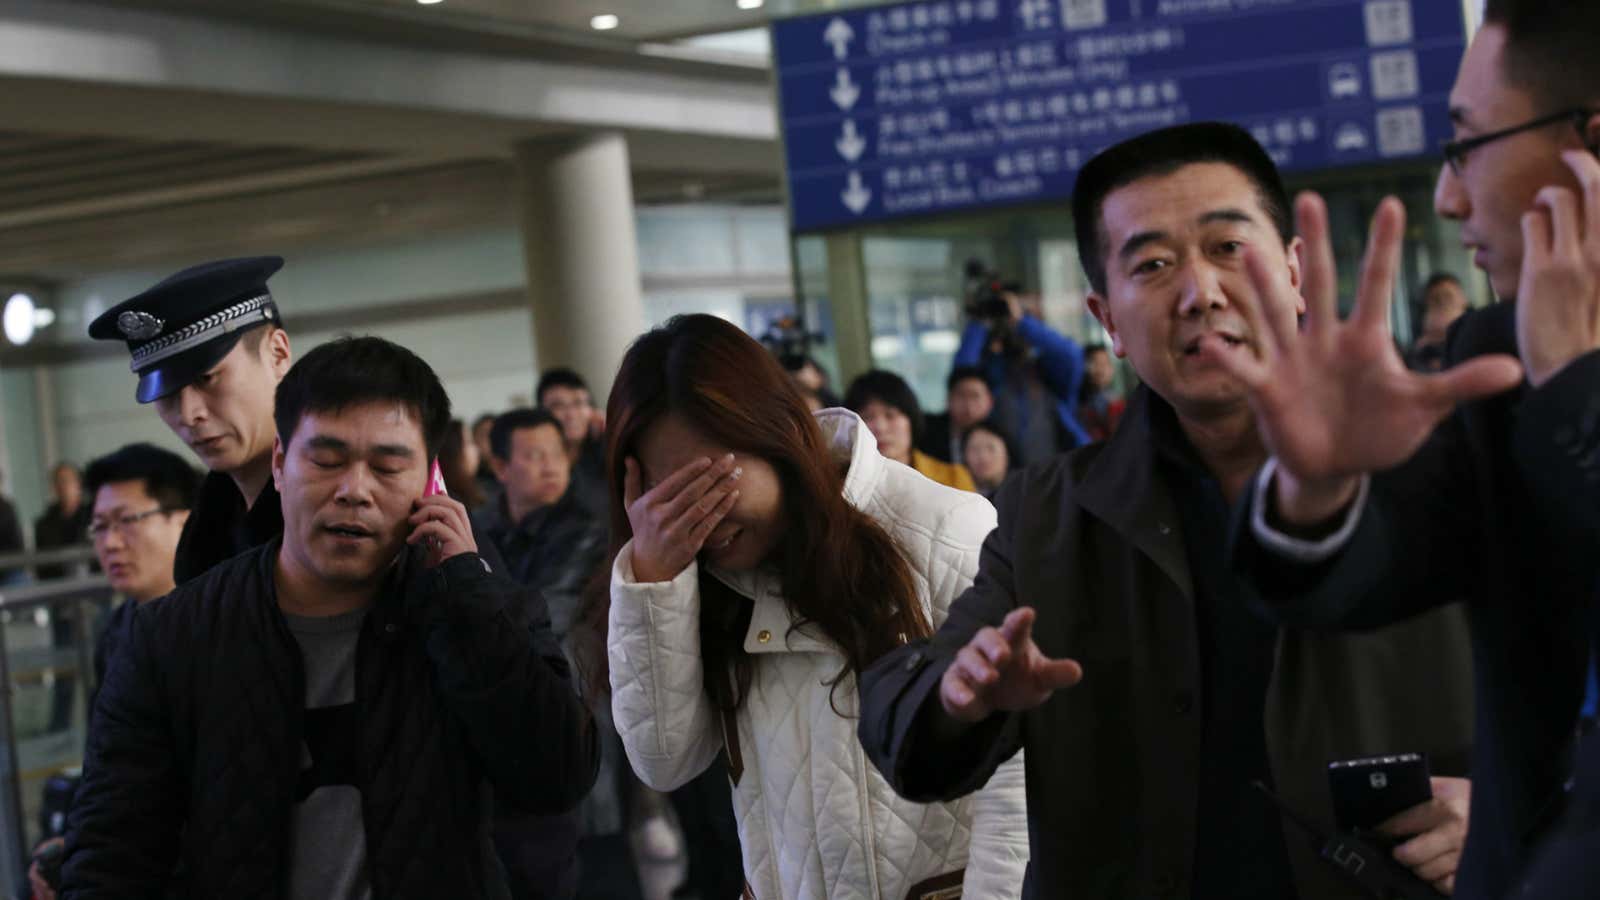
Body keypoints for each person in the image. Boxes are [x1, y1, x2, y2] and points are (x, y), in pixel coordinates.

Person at [858, 122, 1478, 900]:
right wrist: (956, 695)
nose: (1201, 292)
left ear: (1292, 272)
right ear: (1107, 318)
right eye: (1152, 264)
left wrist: (1508, 807)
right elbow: (902, 726)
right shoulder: (1047, 514)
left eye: (1228, 247)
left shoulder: (1442, 462)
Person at [1195, 3, 1600, 896]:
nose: (1450, 194)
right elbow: (1366, 576)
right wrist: (1317, 487)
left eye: (1469, 143)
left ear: (1588, 150)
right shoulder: (1493, 362)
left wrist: (1577, 386)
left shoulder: (1548, 371)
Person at [62, 336, 599, 899]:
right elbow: (113, 849)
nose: (354, 491)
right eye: (326, 460)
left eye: (389, 467)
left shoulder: (477, 605)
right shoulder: (175, 635)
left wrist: (464, 594)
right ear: (279, 464)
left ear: (429, 483)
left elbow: (556, 778)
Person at [602, 314, 1026, 900]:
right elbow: (665, 761)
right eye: (668, 498)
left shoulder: (944, 526)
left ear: (774, 434)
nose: (700, 519)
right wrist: (653, 578)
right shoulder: (693, 577)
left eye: (712, 483)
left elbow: (1020, 770)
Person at [475, 407, 641, 899]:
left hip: (583, 710)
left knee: (599, 860)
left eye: (557, 453)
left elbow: (546, 609)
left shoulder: (590, 528)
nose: (550, 465)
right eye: (532, 455)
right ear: (501, 467)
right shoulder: (481, 529)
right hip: (509, 718)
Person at [87, 257, 293, 584]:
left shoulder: (338, 501)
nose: (188, 414)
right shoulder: (207, 528)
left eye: (207, 378)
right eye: (168, 395)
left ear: (277, 354)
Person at [81, 444, 201, 684]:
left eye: (127, 520)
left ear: (183, 523)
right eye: (100, 526)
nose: (110, 543)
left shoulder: (225, 623)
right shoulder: (115, 630)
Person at [954, 286, 1090, 463]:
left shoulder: (1047, 374)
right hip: (1002, 477)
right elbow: (962, 374)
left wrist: (1021, 321)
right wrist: (981, 321)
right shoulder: (988, 372)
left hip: (1056, 474)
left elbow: (1070, 355)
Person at [844, 369, 977, 492]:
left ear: (911, 420)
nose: (880, 427)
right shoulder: (842, 484)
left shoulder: (953, 479)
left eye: (890, 415)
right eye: (867, 417)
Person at [536, 368, 606, 517]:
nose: (571, 414)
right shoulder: (536, 466)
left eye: (579, 403)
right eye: (558, 406)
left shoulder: (607, 454)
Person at [919, 366, 995, 464]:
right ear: (948, 399)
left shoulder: (1002, 438)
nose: (968, 405)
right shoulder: (926, 433)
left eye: (975, 396)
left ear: (990, 402)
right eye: (961, 396)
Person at [35, 463, 92, 579]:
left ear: (79, 484)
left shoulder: (93, 516)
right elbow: (43, 566)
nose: (63, 486)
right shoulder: (43, 524)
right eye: (58, 482)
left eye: (67, 481)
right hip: (58, 585)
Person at [1408, 274, 1472, 372]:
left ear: (1463, 299)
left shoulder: (1478, 329)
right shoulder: (1420, 346)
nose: (1443, 304)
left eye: (1448, 297)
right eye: (1436, 300)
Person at [1077, 343, 1127, 441]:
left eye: (1105, 364)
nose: (1101, 370)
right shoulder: (1079, 401)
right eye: (1094, 363)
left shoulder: (1116, 403)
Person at [960, 419, 1018, 500]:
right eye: (974, 449)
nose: (983, 457)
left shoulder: (1023, 490)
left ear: (1006, 452)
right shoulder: (959, 494)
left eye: (991, 448)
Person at [438, 418, 488, 512]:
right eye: (470, 442)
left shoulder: (474, 492)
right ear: (452, 451)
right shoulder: (449, 503)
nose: (477, 450)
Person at [470, 412, 501, 502]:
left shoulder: (511, 478)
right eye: (485, 435)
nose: (492, 441)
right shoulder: (467, 482)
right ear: (474, 440)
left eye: (496, 435)